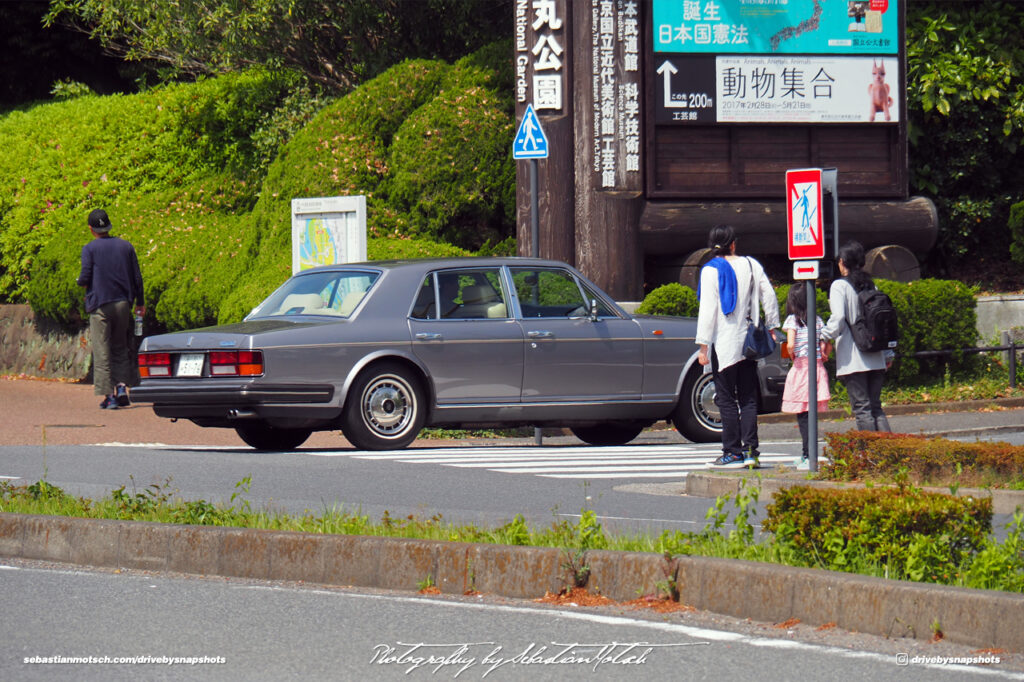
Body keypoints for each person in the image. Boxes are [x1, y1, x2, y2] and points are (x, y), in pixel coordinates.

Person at [695, 225, 780, 468]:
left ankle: (732, 452)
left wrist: (703, 345)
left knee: (725, 398)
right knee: (748, 398)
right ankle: (751, 452)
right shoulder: (752, 264)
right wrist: (772, 326)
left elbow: (708, 309)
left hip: (724, 341)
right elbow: (769, 295)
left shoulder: (710, 270)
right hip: (749, 340)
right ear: (733, 243)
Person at [820, 240, 893, 431]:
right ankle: (888, 453)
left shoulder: (839, 286)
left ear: (843, 261)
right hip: (876, 355)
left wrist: (822, 336)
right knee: (876, 408)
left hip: (853, 358)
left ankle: (869, 456)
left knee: (862, 409)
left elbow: (838, 319)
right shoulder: (871, 286)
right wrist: (888, 354)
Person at [77, 209, 145, 410]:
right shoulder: (126, 246)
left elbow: (85, 276)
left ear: (91, 229)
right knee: (120, 346)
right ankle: (122, 387)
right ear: (108, 225)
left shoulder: (90, 249)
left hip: (100, 304)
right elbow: (137, 277)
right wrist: (140, 303)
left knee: (102, 349)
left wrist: (81, 282)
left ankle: (109, 396)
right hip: (124, 303)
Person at [781, 282, 832, 469]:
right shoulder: (818, 320)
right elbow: (826, 343)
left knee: (802, 415)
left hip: (801, 369)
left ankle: (807, 455)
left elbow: (790, 345)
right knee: (812, 415)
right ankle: (810, 453)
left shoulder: (792, 321)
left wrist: (793, 355)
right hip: (817, 368)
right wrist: (823, 354)